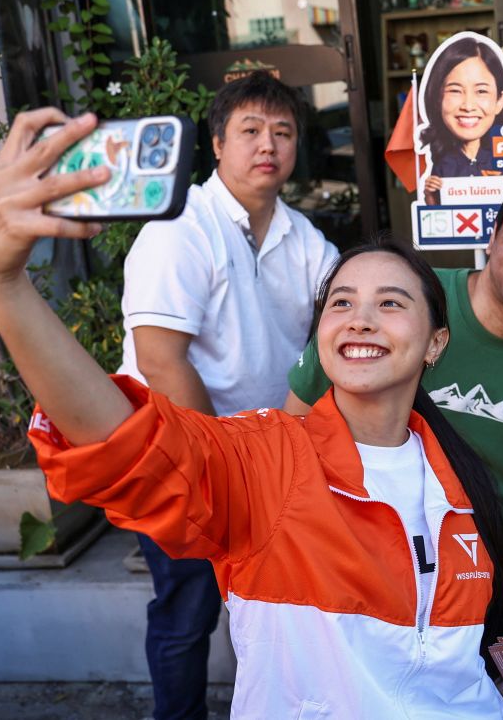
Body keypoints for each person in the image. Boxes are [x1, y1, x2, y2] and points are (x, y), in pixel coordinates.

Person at [0, 111, 503, 718]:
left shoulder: (464, 490)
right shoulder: (269, 464)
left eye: (391, 303)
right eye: (341, 303)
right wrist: (4, 286)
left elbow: (454, 669)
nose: (361, 317)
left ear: (436, 343)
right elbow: (124, 441)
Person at [116, 71, 338, 720]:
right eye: (249, 130)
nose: (267, 144)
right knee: (188, 610)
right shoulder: (180, 225)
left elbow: (336, 340)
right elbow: (161, 359)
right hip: (176, 458)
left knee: (272, 610)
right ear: (216, 144)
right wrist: (219, 468)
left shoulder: (306, 241)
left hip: (262, 462)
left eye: (282, 131)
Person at [285, 163, 503, 532]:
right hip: (356, 534)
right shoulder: (408, 300)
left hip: (483, 561)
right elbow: (295, 429)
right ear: (493, 235)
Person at [420, 35, 503, 204]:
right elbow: (438, 220)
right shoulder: (443, 162)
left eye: (481, 91)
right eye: (455, 90)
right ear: (438, 99)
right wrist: (430, 196)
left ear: (500, 101)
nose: (468, 106)